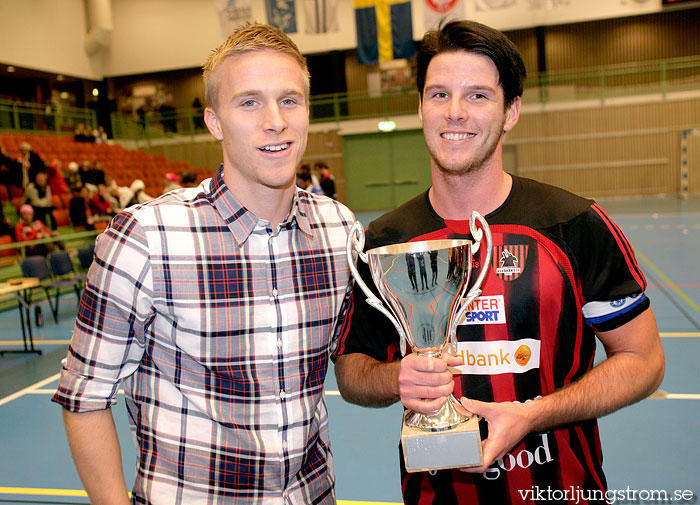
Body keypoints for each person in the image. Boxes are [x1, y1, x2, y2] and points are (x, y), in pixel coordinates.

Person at [333, 20, 665, 505]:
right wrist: (395, 376)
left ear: (511, 111)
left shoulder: (573, 223)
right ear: (420, 107)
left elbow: (644, 359)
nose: (455, 113)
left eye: (478, 96)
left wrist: (535, 414)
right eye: (439, 94)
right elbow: (351, 372)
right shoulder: (385, 242)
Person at [52, 22, 355, 505]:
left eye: (290, 100)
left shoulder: (339, 229)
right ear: (214, 121)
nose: (275, 120)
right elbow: (85, 397)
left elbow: (349, 358)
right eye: (249, 102)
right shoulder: (145, 238)